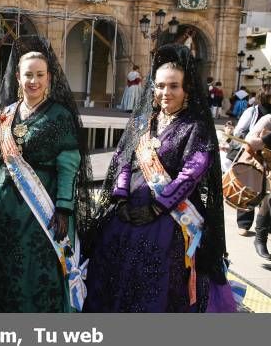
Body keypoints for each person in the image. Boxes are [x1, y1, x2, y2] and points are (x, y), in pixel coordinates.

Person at [84, 43, 235, 313]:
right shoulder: (143, 122)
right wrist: (120, 198)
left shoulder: (195, 127)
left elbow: (192, 172)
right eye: (161, 86)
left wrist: (157, 206)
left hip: (170, 221)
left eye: (174, 86)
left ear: (187, 89)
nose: (166, 92)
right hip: (128, 213)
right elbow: (123, 159)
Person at [0, 35, 93, 313]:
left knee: (33, 272)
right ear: (18, 76)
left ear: (49, 77)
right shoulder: (7, 113)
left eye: (40, 75)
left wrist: (64, 207)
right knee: (0, 269)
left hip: (41, 211)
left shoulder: (60, 115)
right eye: (28, 75)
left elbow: (68, 163)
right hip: (3, 210)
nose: (34, 81)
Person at [227, 88, 271, 236]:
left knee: (265, 192)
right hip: (253, 155)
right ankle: (244, 224)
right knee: (249, 187)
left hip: (268, 157)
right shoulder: (253, 111)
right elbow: (239, 131)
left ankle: (264, 224)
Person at [244, 112, 271, 259]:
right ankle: (260, 239)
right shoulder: (268, 119)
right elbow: (249, 143)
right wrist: (266, 140)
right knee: (268, 200)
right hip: (270, 167)